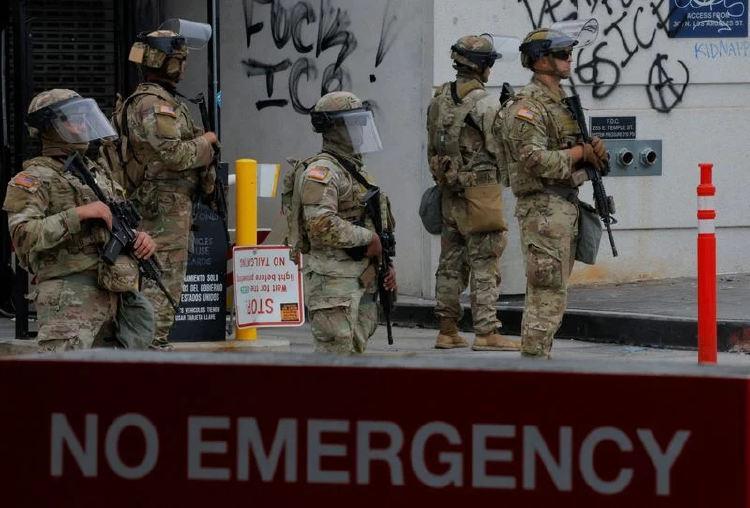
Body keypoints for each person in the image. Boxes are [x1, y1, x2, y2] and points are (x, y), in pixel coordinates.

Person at [3, 89, 157, 352]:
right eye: (74, 119)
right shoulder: (34, 178)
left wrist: (140, 239)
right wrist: (79, 214)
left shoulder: (96, 174)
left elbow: (120, 223)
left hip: (115, 299)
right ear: (50, 126)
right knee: (66, 377)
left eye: (85, 117)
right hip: (68, 303)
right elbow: (23, 234)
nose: (84, 125)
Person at [501, 20, 608, 359]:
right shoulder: (527, 106)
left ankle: (538, 362)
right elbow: (533, 160)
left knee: (555, 295)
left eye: (570, 53)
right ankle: (533, 367)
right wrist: (579, 153)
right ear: (540, 60)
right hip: (543, 209)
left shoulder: (561, 102)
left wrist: (594, 151)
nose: (569, 59)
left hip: (563, 206)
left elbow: (570, 149)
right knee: (545, 297)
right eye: (562, 54)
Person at [122, 23, 217, 350]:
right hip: (163, 204)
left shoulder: (158, 99)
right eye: (180, 59)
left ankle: (149, 346)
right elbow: (174, 155)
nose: (184, 66)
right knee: (164, 281)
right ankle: (150, 349)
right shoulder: (154, 104)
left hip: (166, 203)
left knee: (162, 278)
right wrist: (207, 142)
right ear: (165, 62)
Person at [283, 91, 396, 354]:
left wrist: (385, 264)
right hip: (333, 284)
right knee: (334, 362)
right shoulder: (322, 172)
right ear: (336, 128)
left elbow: (374, 222)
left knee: (353, 356)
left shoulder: (353, 170)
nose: (360, 131)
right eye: (354, 124)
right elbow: (320, 224)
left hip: (360, 280)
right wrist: (369, 239)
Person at [426, 34, 519, 351]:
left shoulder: (439, 98)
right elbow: (502, 149)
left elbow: (432, 146)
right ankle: (486, 332)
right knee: (485, 263)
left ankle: (447, 330)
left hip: (449, 193)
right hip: (481, 196)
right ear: (482, 66)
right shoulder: (485, 104)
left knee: (450, 263)